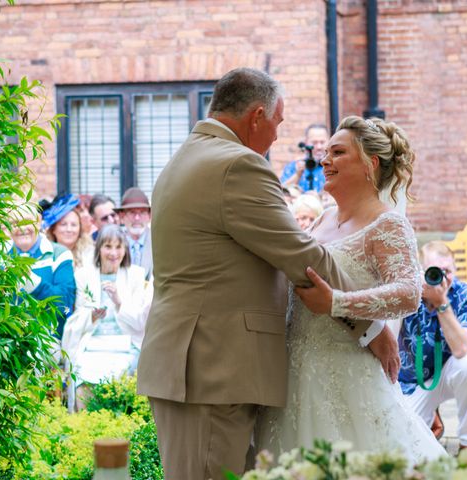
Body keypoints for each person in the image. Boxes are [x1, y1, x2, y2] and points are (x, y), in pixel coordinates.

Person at [137, 68, 399, 480]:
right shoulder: (236, 165)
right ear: (257, 116)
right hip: (212, 367)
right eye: (277, 122)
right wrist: (371, 327)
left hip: (193, 363)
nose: (277, 136)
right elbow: (302, 256)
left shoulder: (186, 157)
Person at [256, 115, 446, 464]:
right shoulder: (323, 218)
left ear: (370, 164)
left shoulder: (387, 222)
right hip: (295, 371)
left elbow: (408, 292)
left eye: (338, 152)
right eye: (326, 152)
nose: (325, 160)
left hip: (346, 372)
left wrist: (336, 302)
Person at [398, 241, 467, 463]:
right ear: (420, 272)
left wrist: (441, 302)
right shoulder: (408, 293)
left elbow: (461, 348)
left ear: (456, 270)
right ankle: (430, 416)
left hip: (451, 370)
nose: (442, 278)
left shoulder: (465, 295)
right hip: (414, 382)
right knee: (405, 447)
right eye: (435, 272)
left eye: (448, 271)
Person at [62, 225, 147, 409]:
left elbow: (140, 322)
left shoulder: (136, 275)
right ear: (99, 248)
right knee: (81, 372)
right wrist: (91, 316)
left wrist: (118, 302)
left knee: (128, 369)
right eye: (108, 246)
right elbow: (76, 317)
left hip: (125, 343)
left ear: (125, 250)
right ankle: (87, 425)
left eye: (118, 247)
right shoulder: (84, 275)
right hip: (93, 343)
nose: (113, 253)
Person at [6, 202, 76, 340]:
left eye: (28, 221)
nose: (22, 228)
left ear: (38, 222)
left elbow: (65, 303)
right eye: (15, 223)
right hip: (8, 340)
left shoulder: (59, 254)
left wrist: (35, 284)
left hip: (48, 339)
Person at [43, 194, 94, 270]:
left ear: (79, 229)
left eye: (74, 225)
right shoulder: (44, 253)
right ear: (53, 229)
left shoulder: (90, 253)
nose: (69, 229)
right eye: (63, 224)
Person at [116, 187, 154, 281]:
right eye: (132, 212)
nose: (137, 218)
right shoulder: (114, 241)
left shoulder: (159, 242)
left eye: (142, 212)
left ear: (150, 216)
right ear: (122, 216)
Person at [280, 123, 329, 192]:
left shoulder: (335, 167)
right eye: (314, 142)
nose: (319, 147)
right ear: (306, 142)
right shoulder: (293, 166)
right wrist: (297, 175)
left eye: (322, 142)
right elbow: (281, 193)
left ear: (329, 142)